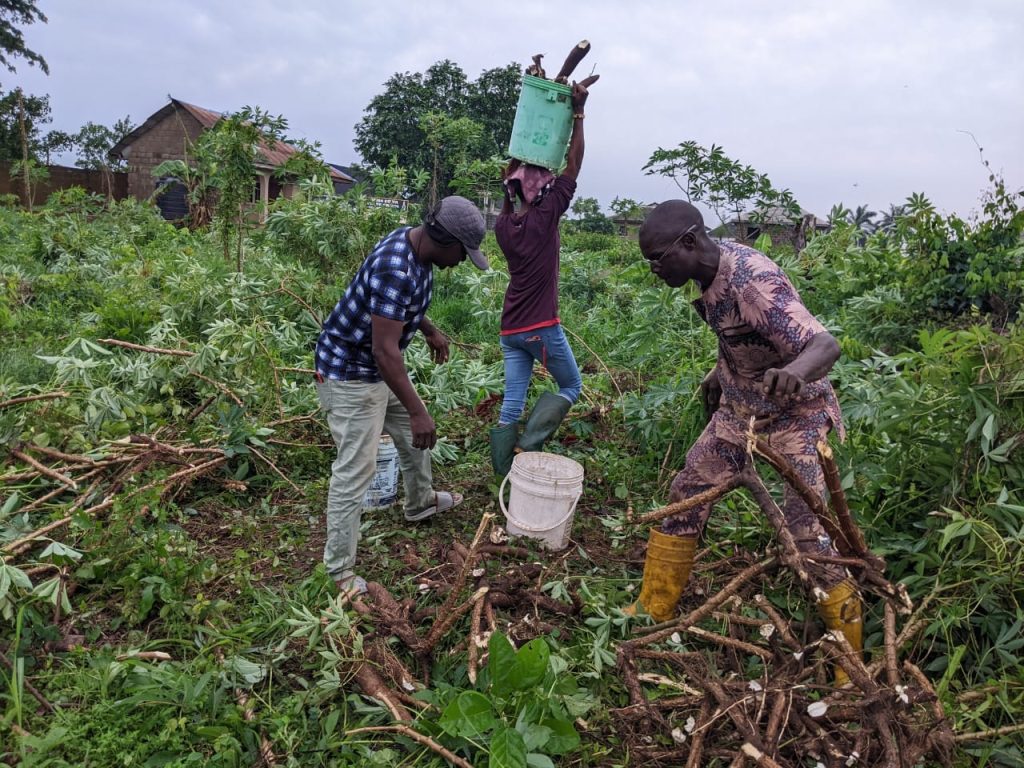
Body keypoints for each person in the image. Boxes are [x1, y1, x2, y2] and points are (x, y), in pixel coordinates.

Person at [628, 200, 861, 685]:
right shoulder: (708, 273)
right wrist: (720, 370)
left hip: (794, 418)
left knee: (807, 537)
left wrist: (793, 374)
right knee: (686, 494)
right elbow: (740, 334)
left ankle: (849, 667)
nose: (654, 271)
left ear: (690, 242)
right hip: (739, 411)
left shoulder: (753, 281)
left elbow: (825, 345)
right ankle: (653, 606)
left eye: (658, 259)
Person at [314, 196, 489, 594]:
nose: (462, 262)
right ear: (443, 240)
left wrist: (427, 328)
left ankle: (419, 502)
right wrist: (416, 409)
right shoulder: (397, 266)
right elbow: (384, 350)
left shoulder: (414, 248)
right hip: (351, 374)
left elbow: (395, 307)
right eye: (463, 253)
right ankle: (338, 571)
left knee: (417, 439)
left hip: (376, 368)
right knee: (355, 469)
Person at [489, 78, 596, 475]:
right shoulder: (546, 216)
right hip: (539, 327)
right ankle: (527, 449)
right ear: (541, 191)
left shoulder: (502, 225)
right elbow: (573, 166)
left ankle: (503, 478)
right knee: (571, 386)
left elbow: (510, 178)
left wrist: (520, 152)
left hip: (510, 329)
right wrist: (579, 114)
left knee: (512, 403)